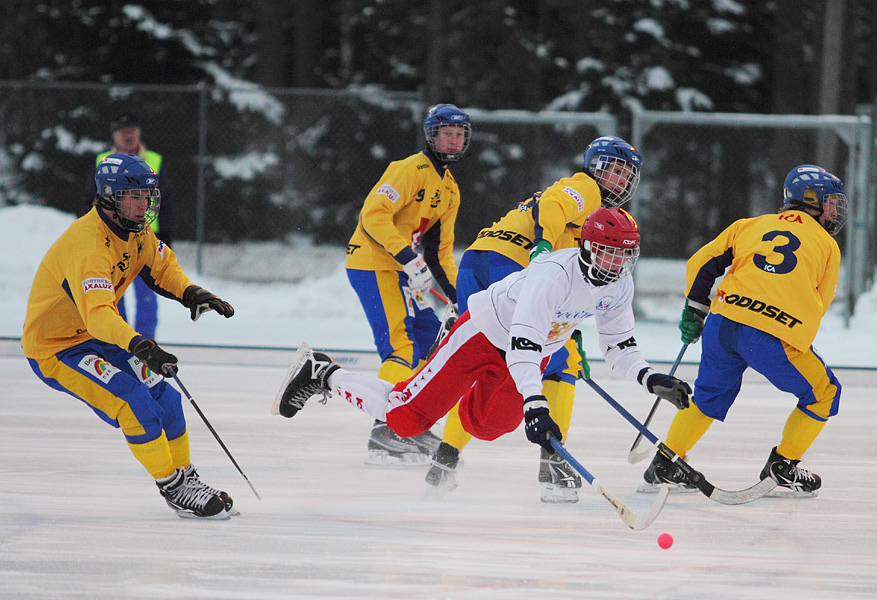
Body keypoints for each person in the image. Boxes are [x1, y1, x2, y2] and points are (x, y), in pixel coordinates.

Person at [272, 207, 693, 500]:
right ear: (587, 247)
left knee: (490, 426)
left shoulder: (618, 284)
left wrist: (650, 379)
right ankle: (322, 372)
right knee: (406, 417)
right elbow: (523, 343)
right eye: (609, 252)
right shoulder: (553, 276)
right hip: (480, 336)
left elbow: (619, 346)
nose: (617, 263)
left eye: (625, 254)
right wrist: (536, 402)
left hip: (529, 354)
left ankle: (447, 423)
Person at [425, 136, 643, 503]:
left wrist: (566, 331)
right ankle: (555, 465)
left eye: (627, 175)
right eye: (615, 171)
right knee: (559, 366)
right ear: (596, 168)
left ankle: (445, 460)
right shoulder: (585, 188)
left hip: (479, 261)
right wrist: (542, 244)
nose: (620, 181)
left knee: (487, 362)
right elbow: (553, 206)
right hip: (511, 266)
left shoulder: (606, 215)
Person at [24, 153, 236, 519]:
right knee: (131, 400)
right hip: (58, 348)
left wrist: (190, 291)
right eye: (133, 197)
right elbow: (99, 315)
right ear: (108, 197)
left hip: (98, 337)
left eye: (147, 197)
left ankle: (186, 477)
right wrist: (140, 344)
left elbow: (161, 265)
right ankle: (172, 486)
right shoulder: (88, 246)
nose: (143, 206)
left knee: (165, 396)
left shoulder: (136, 229)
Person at [641, 164, 846, 497]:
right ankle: (784, 465)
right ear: (812, 201)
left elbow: (700, 264)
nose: (835, 210)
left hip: (723, 324)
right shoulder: (826, 244)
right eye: (831, 202)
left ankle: (666, 461)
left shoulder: (749, 225)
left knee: (707, 397)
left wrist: (695, 308)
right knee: (825, 393)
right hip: (772, 334)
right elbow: (819, 303)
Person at [344, 103, 471, 467]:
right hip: (374, 264)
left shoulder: (450, 189)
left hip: (402, 270)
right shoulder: (409, 169)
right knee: (401, 344)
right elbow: (373, 215)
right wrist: (406, 257)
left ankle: (406, 421)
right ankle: (385, 431)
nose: (453, 140)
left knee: (430, 339)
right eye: (446, 133)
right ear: (431, 135)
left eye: (459, 135)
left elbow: (439, 251)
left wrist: (461, 299)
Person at [80, 113, 176, 339]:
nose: (129, 136)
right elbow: (89, 198)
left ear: (139, 134)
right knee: (112, 294)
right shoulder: (102, 160)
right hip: (110, 238)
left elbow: (168, 200)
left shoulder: (154, 160)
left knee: (146, 294)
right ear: (115, 137)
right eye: (124, 132)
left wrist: (168, 235)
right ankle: (117, 342)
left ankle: (145, 343)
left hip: (146, 238)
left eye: (132, 131)